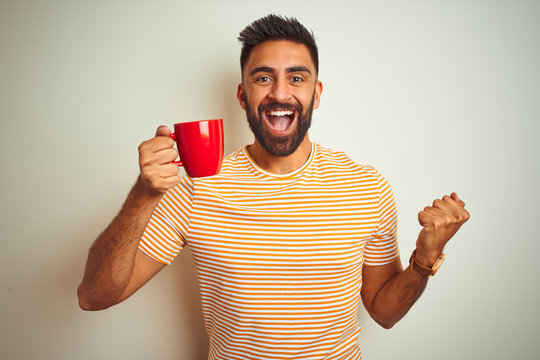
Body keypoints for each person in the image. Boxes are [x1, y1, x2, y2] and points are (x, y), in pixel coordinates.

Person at [78, 14, 470, 359]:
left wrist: (425, 257)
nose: (280, 93)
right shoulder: (196, 188)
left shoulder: (367, 187)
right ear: (242, 94)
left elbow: (383, 313)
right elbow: (95, 296)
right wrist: (142, 195)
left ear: (316, 94)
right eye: (263, 77)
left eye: (296, 78)